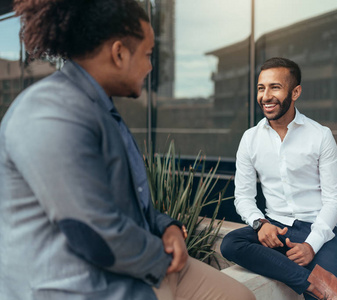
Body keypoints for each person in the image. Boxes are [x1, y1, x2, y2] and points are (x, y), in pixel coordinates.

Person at [0, 1, 255, 300]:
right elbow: (93, 233)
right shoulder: (49, 112)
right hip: (81, 285)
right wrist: (162, 258)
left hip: (141, 265)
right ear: (119, 53)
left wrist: (168, 227)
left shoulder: (101, 109)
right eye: (147, 55)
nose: (150, 67)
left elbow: (127, 201)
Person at [220, 57, 337, 300]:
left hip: (314, 227)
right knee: (231, 244)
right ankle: (319, 286)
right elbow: (243, 197)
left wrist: (311, 245)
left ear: (295, 92)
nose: (266, 96)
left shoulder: (320, 136)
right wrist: (259, 223)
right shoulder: (250, 138)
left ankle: (322, 286)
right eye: (261, 88)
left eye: (275, 87)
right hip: (274, 227)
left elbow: (334, 201)